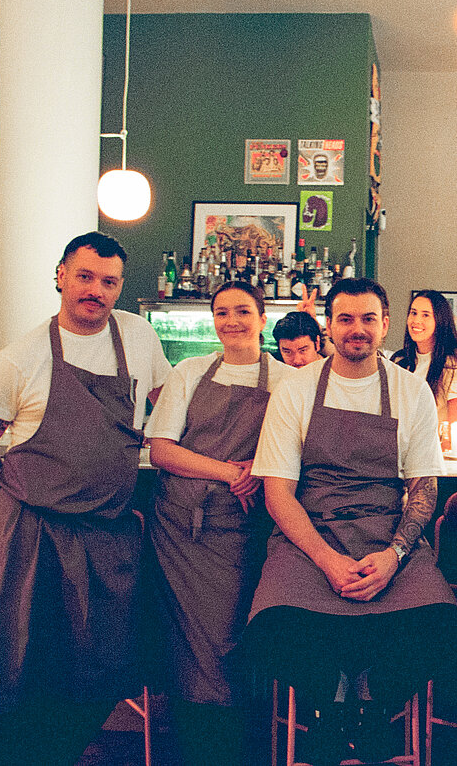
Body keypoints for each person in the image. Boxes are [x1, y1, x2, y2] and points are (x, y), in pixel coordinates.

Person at [0, 232, 171, 765]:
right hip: (35, 536)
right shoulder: (20, 358)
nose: (96, 290)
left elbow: (167, 405)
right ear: (61, 276)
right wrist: (19, 493)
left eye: (109, 281)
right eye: (85, 276)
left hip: (109, 534)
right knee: (29, 670)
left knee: (107, 666)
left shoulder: (138, 336)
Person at [245, 277, 457, 765]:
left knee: (442, 622)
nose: (356, 328)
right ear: (328, 326)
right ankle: (332, 706)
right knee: (273, 623)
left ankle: (370, 705)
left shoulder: (411, 391)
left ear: (385, 325)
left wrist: (394, 556)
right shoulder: (295, 389)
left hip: (388, 532)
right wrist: (326, 559)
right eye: (345, 318)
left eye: (368, 319)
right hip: (310, 532)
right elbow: (277, 493)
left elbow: (424, 489)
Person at [143, 281, 296, 765]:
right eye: (222, 312)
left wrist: (261, 465)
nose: (232, 321)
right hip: (181, 529)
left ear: (263, 319)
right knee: (189, 640)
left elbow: (299, 449)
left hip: (247, 529)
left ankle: (236, 745)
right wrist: (231, 472)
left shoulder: (287, 380)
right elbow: (162, 450)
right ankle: (201, 747)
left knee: (232, 636)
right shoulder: (190, 372)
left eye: (243, 311)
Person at [390, 290, 457, 434]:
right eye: (413, 313)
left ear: (440, 320)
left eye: (426, 315)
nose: (416, 320)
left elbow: (456, 423)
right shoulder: (400, 360)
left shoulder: (454, 363)